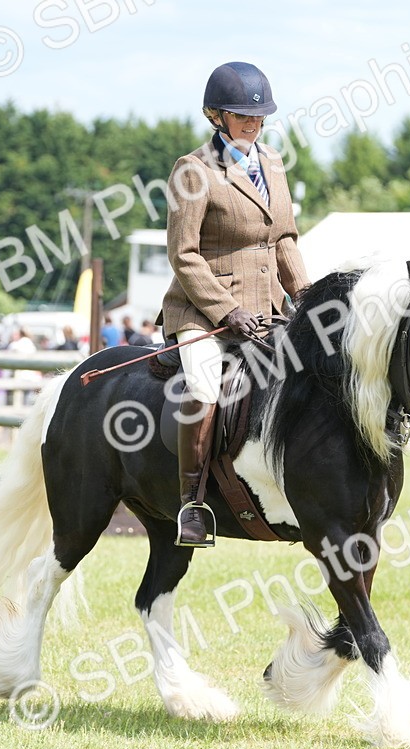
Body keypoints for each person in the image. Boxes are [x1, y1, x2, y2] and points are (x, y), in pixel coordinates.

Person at [160, 61, 310, 546]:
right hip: (201, 310)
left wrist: (304, 294)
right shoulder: (193, 169)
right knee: (205, 384)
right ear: (216, 115)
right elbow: (183, 255)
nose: (253, 122)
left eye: (259, 115)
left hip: (267, 308)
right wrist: (226, 311)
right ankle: (192, 504)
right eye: (242, 114)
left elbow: (284, 238)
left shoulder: (273, 163)